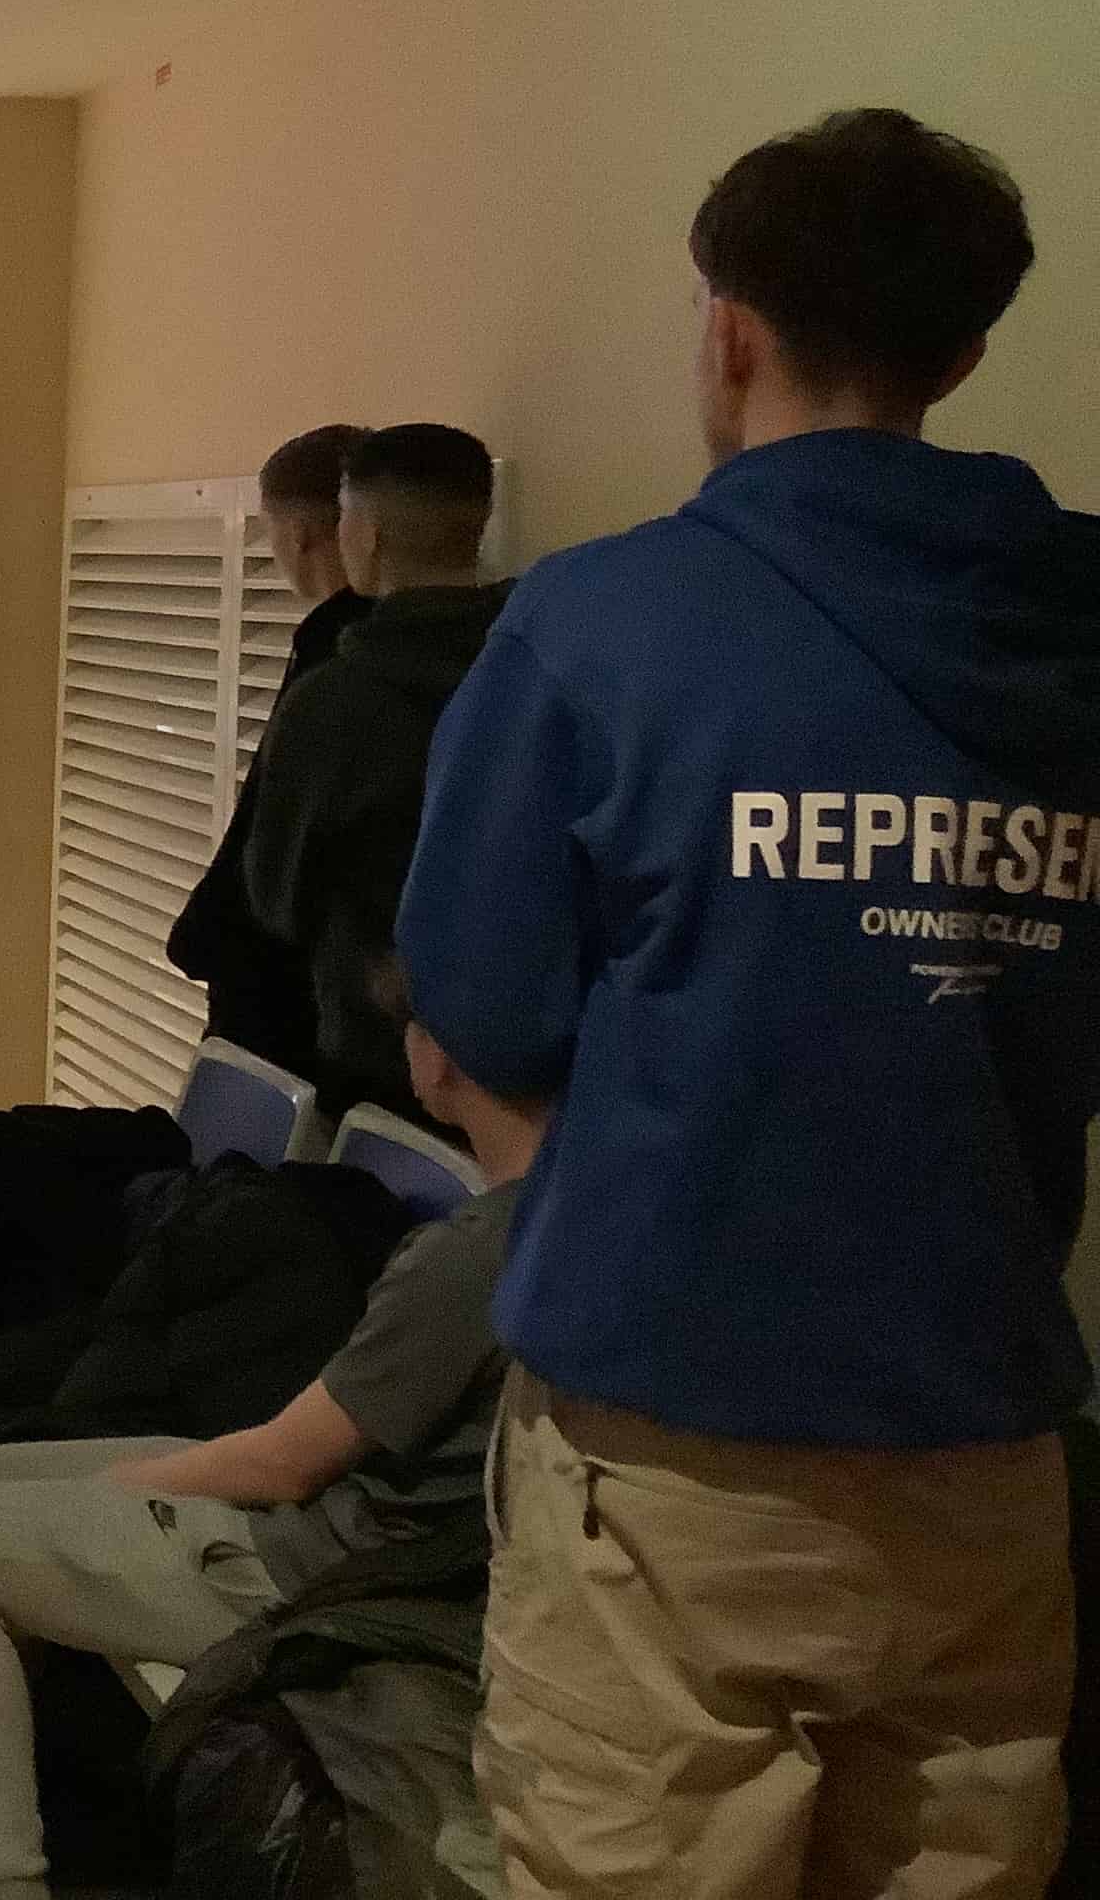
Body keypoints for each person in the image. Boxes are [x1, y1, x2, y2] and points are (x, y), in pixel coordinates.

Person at [401, 109, 1099, 1899]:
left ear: (723, 326)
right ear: (958, 349)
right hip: (987, 1445)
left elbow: (475, 1003)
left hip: (669, 1445)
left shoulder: (601, 624)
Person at [0, 969, 547, 1900]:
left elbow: (285, 1464)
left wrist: (136, 1484)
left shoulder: (469, 1255)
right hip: (382, 1545)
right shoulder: (568, 1226)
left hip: (325, 1569)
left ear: (439, 1059)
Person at [243, 423, 504, 1121]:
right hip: (515, 1062)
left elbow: (275, 899)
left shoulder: (334, 704)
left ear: (366, 534)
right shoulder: (545, 669)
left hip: (374, 1059)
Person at [168, 424, 374, 1073]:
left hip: (292, 1005)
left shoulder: (335, 661)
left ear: (299, 533)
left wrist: (204, 939)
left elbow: (269, 848)